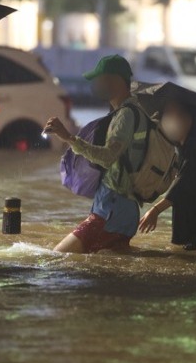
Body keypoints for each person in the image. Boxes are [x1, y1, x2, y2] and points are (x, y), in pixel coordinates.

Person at [44, 55, 148, 253]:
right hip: (121, 210)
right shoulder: (132, 112)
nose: (96, 85)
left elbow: (108, 157)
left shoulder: (125, 115)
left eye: (99, 79)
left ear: (115, 81)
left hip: (111, 211)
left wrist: (68, 137)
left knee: (57, 257)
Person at [138, 100, 196, 250]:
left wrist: (155, 210)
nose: (172, 120)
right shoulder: (184, 149)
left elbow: (182, 185)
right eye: (167, 114)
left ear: (191, 119)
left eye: (179, 114)